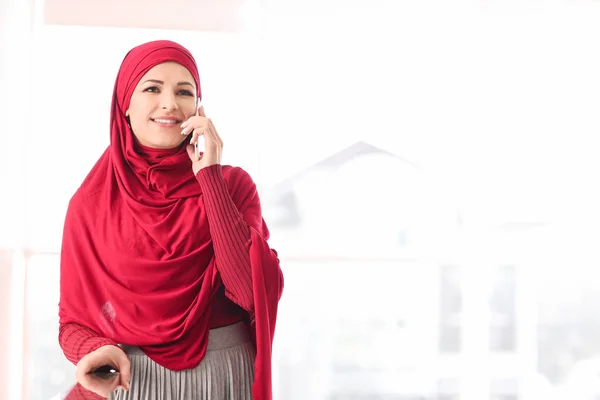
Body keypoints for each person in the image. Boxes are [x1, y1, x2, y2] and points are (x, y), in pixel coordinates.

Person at [58, 40, 284, 400]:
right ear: (125, 105)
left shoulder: (232, 185)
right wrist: (94, 351)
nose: (170, 103)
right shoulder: (90, 204)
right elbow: (72, 321)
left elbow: (250, 293)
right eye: (152, 88)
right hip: (130, 380)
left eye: (185, 92)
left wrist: (209, 178)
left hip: (224, 378)